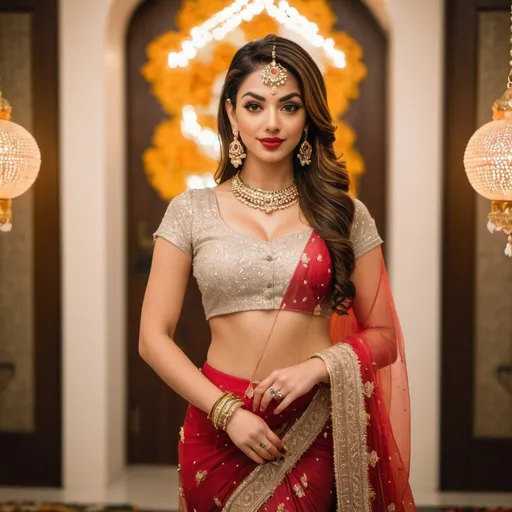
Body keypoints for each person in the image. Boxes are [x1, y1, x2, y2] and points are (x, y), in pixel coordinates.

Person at [139, 34, 415, 512]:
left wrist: (316, 368)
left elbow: (385, 337)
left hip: (314, 425)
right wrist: (227, 413)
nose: (272, 123)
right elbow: (152, 338)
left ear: (309, 116)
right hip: (218, 425)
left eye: (289, 107)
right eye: (254, 106)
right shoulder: (190, 211)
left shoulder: (344, 215)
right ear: (231, 114)